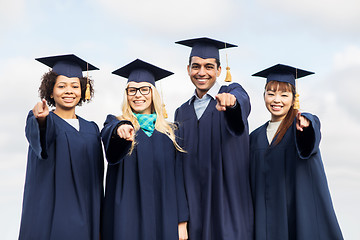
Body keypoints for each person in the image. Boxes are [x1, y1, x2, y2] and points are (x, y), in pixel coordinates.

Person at [250, 64, 343, 239]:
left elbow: (310, 137)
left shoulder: (298, 127)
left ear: (294, 99)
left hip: (296, 217)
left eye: (284, 95)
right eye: (271, 94)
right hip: (266, 221)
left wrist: (307, 125)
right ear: (264, 96)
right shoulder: (254, 138)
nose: (276, 100)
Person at [100, 59, 189, 240]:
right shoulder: (115, 122)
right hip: (125, 214)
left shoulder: (170, 132)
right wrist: (120, 130)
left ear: (153, 93)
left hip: (163, 214)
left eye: (144, 89)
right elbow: (108, 135)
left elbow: (178, 179)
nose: (137, 95)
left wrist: (182, 223)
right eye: (132, 90)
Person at [174, 37, 253, 240]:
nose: (202, 72)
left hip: (228, 207)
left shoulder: (232, 93)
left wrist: (232, 104)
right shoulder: (181, 112)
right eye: (196, 66)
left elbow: (241, 103)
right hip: (195, 212)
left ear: (219, 70)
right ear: (188, 69)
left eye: (209, 66)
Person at [19, 54, 104, 240]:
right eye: (61, 86)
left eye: (75, 86)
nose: (69, 91)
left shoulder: (92, 129)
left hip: (88, 215)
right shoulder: (45, 120)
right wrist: (40, 120)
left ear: (83, 91)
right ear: (50, 91)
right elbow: (41, 137)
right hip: (53, 216)